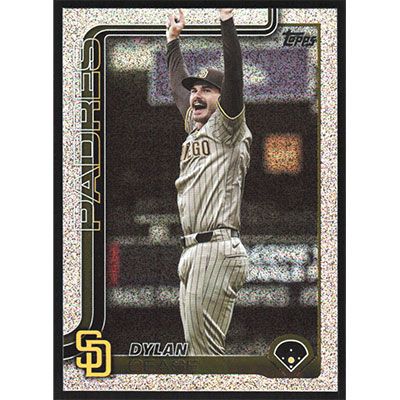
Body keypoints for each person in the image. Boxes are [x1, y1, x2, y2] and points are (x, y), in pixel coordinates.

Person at [166, 8, 252, 355]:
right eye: (195, 90)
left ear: (223, 97)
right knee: (198, 355)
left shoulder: (228, 125)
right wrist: (173, 42)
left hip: (215, 247)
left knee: (204, 358)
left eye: (207, 90)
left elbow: (235, 74)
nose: (196, 95)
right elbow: (179, 91)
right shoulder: (196, 126)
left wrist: (226, 22)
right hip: (194, 250)